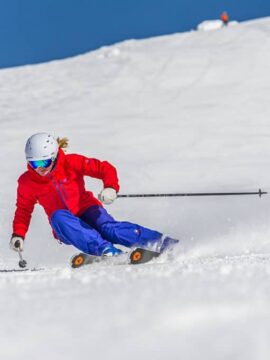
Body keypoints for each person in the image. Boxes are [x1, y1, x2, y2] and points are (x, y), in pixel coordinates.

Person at [10, 133, 178, 257]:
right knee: (58, 216)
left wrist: (110, 187)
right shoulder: (27, 182)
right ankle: (106, 250)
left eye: (44, 162)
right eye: (34, 163)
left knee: (109, 229)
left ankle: (161, 243)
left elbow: (104, 168)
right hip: (66, 225)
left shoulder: (71, 162)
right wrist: (18, 234)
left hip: (87, 208)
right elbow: (23, 210)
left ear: (53, 156)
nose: (40, 168)